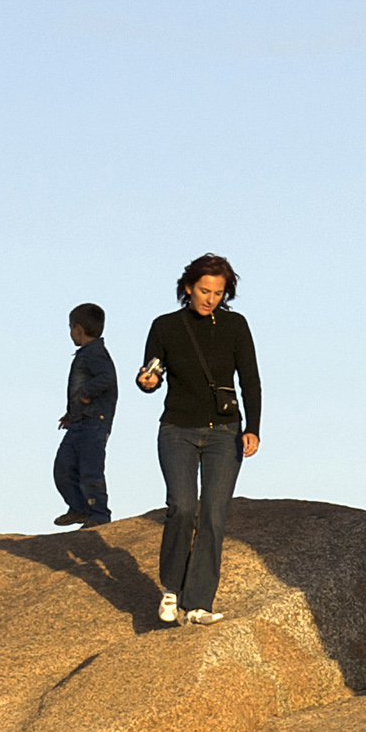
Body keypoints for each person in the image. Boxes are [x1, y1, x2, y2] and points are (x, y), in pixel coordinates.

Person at [133, 254, 262, 625]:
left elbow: (250, 379)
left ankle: (200, 602)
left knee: (213, 515)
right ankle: (171, 590)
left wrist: (253, 426)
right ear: (188, 287)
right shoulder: (166, 326)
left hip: (225, 432)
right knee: (183, 506)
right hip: (178, 430)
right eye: (204, 290)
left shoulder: (236, 326)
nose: (210, 299)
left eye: (218, 293)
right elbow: (150, 375)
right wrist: (147, 381)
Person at [53, 302, 117, 527]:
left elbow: (107, 377)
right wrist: (72, 413)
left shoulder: (95, 353)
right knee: (63, 467)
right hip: (80, 422)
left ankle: (98, 515)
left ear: (78, 328)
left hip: (94, 423)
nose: (71, 333)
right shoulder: (87, 354)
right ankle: (79, 508)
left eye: (71, 328)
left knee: (90, 470)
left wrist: (86, 394)